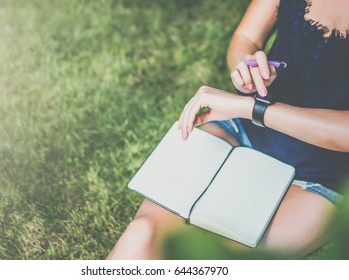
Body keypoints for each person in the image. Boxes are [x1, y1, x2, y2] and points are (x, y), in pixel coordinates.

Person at [107, 0, 349, 259]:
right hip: (241, 129)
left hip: (322, 177)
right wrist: (246, 69)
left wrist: (250, 108)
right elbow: (246, 36)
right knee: (141, 234)